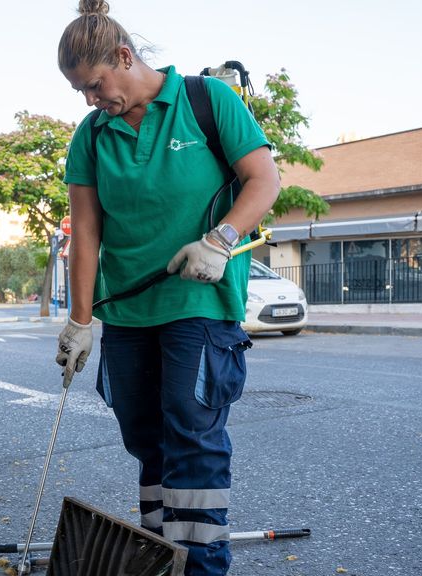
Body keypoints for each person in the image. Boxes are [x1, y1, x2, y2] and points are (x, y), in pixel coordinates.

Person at [54, 2, 281, 574]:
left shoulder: (208, 101)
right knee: (144, 436)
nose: (90, 99)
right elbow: (86, 234)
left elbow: (263, 178)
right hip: (128, 312)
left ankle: (201, 566)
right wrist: (81, 321)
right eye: (81, 92)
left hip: (197, 304)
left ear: (124, 57)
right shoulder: (92, 135)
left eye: (95, 85)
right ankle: (160, 556)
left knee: (190, 429)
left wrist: (222, 238)